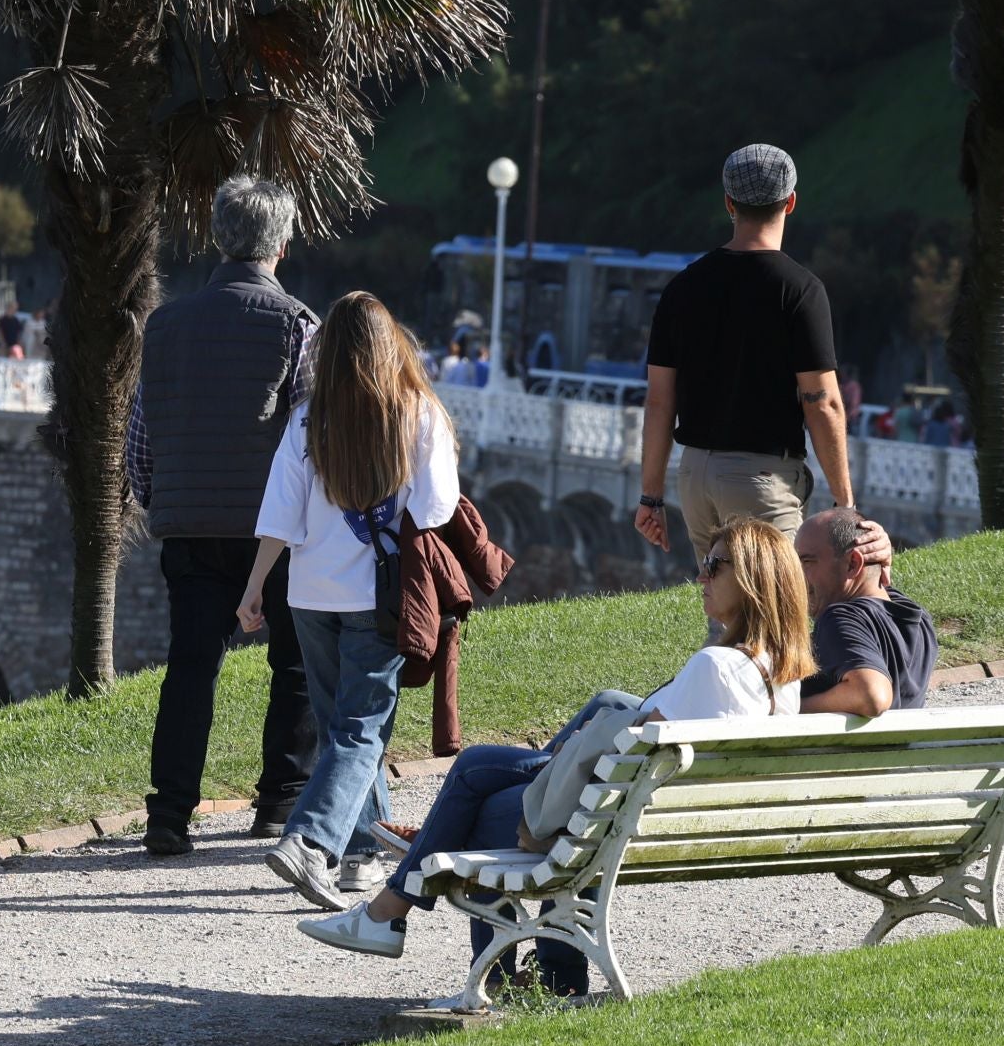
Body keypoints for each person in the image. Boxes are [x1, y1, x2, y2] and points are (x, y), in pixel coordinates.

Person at [296, 517, 810, 988]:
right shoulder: (782, 679)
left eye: (713, 566)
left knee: (474, 786)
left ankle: (409, 923)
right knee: (595, 710)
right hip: (658, 819)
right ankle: (547, 971)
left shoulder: (714, 667)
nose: (701, 577)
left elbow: (630, 754)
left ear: (751, 579)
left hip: (611, 825)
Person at [240, 289, 460, 910]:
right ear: (392, 345)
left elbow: (279, 512)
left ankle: (363, 852)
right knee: (362, 729)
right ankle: (310, 842)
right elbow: (438, 506)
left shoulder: (308, 417)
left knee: (346, 726)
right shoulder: (419, 413)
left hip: (309, 593)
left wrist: (255, 587)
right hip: (378, 595)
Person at [127, 175, 318, 855]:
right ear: (283, 244)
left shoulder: (166, 325)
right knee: (293, 665)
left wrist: (163, 502)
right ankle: (279, 803)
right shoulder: (297, 325)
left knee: (190, 668)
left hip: (190, 527)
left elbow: (140, 441)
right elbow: (308, 442)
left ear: (216, 237)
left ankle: (169, 815)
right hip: (275, 531)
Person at [636, 144, 854, 569]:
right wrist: (844, 501)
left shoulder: (682, 287)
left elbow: (660, 400)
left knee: (724, 610)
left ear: (729, 203)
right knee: (774, 617)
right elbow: (821, 402)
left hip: (695, 475)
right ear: (790, 202)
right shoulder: (801, 290)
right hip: (761, 479)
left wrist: (651, 496)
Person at [795, 507, 938, 716]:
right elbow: (875, 586)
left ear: (853, 564)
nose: (796, 576)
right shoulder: (917, 618)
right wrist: (879, 565)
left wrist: (788, 710)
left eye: (807, 562)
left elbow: (872, 696)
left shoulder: (839, 618)